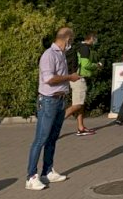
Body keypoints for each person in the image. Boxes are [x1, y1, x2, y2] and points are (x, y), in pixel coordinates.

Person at [26, 27, 80, 191]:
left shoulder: (61, 54)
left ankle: (47, 171)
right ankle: (31, 177)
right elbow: (49, 79)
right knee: (41, 139)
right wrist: (70, 77)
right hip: (48, 101)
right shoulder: (49, 55)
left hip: (59, 101)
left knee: (52, 138)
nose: (71, 44)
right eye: (71, 40)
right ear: (67, 39)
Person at [65, 32, 101, 136]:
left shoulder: (78, 46)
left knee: (80, 104)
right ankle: (55, 124)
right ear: (91, 38)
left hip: (74, 76)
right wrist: (97, 65)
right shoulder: (85, 49)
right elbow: (85, 65)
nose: (95, 42)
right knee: (77, 105)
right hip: (79, 78)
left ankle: (81, 128)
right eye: (95, 39)